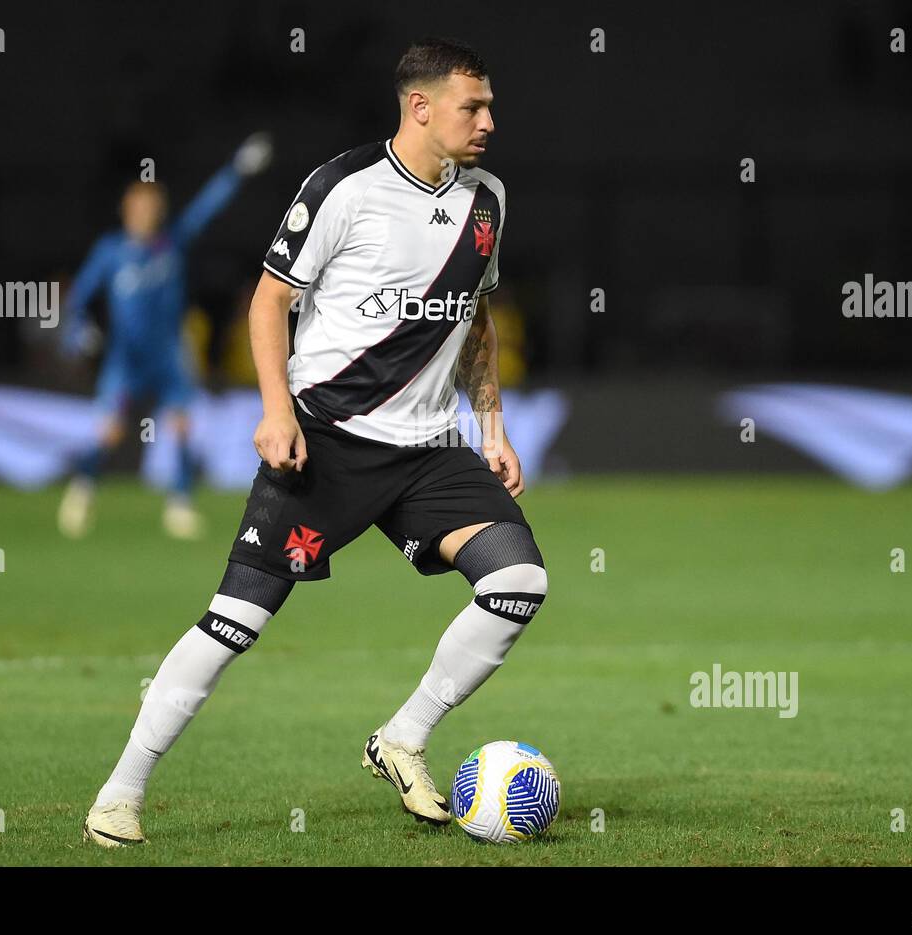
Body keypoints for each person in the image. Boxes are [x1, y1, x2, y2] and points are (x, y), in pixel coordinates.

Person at [84, 37, 546, 846]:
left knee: (519, 582)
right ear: (421, 107)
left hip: (431, 452)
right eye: (474, 107)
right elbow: (269, 302)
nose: (488, 122)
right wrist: (276, 411)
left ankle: (401, 737)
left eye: (490, 106)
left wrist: (493, 428)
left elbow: (475, 321)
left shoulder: (489, 199)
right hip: (325, 446)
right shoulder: (343, 187)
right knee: (235, 623)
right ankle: (120, 792)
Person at [58, 132, 274, 540]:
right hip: (126, 358)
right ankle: (83, 487)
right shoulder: (112, 251)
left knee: (180, 426)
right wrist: (77, 330)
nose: (147, 213)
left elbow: (208, 207)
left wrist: (237, 169)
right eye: (139, 207)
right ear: (126, 210)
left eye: (152, 206)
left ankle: (179, 505)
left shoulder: (171, 244)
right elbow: (79, 296)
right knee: (112, 432)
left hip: (167, 355)